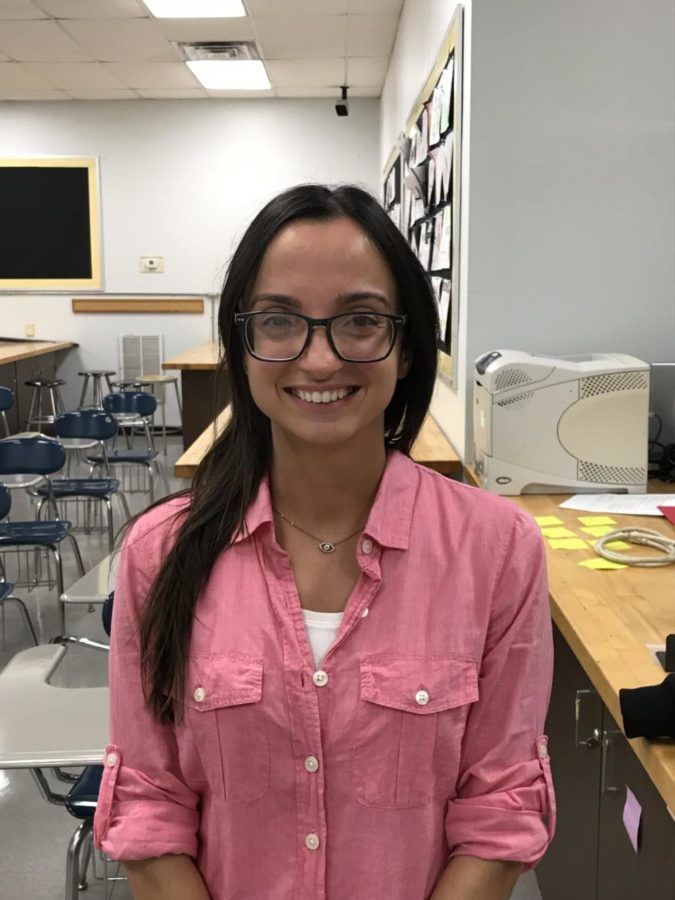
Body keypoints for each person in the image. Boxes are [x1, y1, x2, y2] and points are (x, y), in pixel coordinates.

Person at [94, 183, 555, 900]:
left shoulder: (496, 550)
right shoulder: (159, 552)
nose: (317, 360)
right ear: (242, 348)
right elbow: (149, 807)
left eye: (359, 320)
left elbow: (501, 807)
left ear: (405, 348)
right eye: (278, 321)